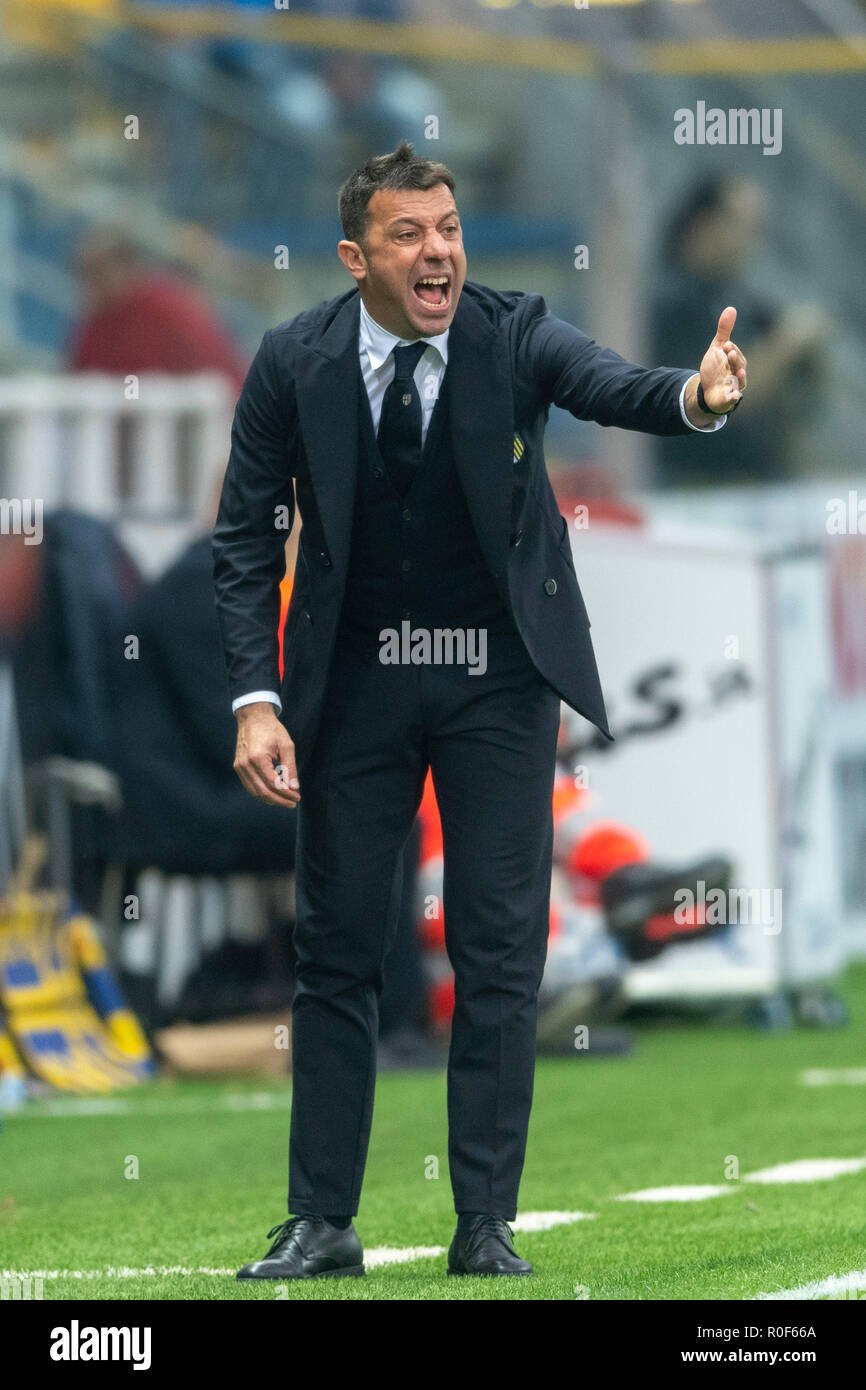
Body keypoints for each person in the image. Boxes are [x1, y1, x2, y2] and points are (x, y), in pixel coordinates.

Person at [212, 141, 746, 1280]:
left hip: (495, 679)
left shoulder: (514, 331)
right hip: (351, 686)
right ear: (356, 256)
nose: (438, 251)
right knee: (337, 949)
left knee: (498, 948)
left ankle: (483, 1222)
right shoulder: (290, 362)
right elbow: (243, 538)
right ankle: (321, 1220)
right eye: (408, 235)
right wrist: (258, 700)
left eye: (447, 228)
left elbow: (611, 386)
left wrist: (693, 398)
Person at [649, 174, 827, 486]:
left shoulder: (739, 297)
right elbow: (709, 399)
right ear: (705, 224)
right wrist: (785, 345)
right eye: (742, 226)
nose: (750, 241)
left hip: (756, 483)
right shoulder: (669, 301)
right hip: (694, 487)